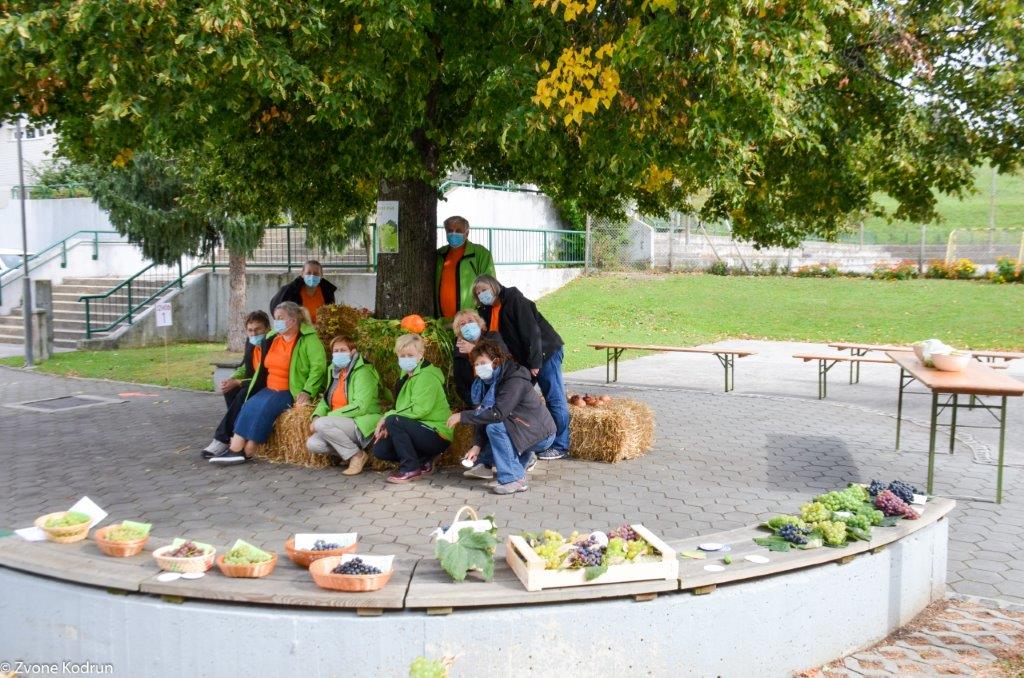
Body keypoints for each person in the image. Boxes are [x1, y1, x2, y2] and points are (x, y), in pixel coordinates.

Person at [210, 301, 328, 465]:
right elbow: (256, 361)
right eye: (275, 318)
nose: (276, 322)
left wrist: (308, 391)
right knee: (249, 405)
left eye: (280, 318)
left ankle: (246, 451)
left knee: (264, 409)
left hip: (289, 389)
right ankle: (235, 449)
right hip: (270, 387)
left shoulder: (309, 339)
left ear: (293, 320)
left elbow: (318, 368)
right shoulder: (273, 337)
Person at [473, 274, 570, 460]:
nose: (482, 294)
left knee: (554, 397)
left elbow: (532, 331)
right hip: (526, 359)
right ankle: (532, 441)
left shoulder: (514, 300)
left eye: (484, 289)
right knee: (520, 399)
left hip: (544, 352)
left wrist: (535, 362)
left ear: (494, 286)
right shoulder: (488, 310)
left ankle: (560, 445)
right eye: (478, 292)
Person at [448, 340, 555, 495]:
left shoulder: (514, 379)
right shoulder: (485, 383)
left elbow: (497, 413)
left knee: (495, 428)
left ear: (496, 361)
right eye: (476, 364)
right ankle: (520, 461)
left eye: (482, 363)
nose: (479, 368)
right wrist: (477, 445)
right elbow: (483, 414)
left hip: (540, 434)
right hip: (520, 428)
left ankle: (514, 479)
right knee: (493, 430)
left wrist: (462, 416)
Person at [371, 334, 452, 483]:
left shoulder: (427, 376)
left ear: (421, 354)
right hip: (419, 428)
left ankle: (410, 469)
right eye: (402, 355)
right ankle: (423, 460)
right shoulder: (405, 376)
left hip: (437, 433)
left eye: (410, 355)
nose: (406, 359)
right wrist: (391, 422)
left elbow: (420, 410)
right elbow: (404, 411)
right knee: (380, 450)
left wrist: (388, 418)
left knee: (393, 420)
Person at [306, 335, 384, 475]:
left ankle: (357, 456)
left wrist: (327, 417)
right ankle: (353, 453)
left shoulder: (364, 371)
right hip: (339, 423)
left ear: (353, 352)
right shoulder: (334, 370)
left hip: (360, 421)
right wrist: (317, 416)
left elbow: (360, 406)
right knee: (313, 444)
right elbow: (326, 399)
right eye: (335, 351)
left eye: (343, 350)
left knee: (322, 424)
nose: (338, 354)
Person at [202, 310, 271, 459]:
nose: (254, 333)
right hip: (251, 383)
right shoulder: (250, 343)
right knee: (230, 390)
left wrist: (238, 382)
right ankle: (237, 431)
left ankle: (222, 438)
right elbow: (245, 366)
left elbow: (264, 377)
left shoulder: (271, 344)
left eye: (258, 329)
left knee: (242, 393)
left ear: (267, 328)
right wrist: (232, 378)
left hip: (267, 385)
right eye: (250, 330)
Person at [435, 216, 495, 320]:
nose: (453, 234)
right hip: (442, 321)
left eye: (458, 231)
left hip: (470, 321)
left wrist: (481, 317)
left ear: (467, 233)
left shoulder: (481, 254)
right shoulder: (440, 254)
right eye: (450, 231)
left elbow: (489, 289)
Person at [450, 309, 507, 407]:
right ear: (459, 331)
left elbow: (504, 360)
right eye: (462, 324)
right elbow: (461, 385)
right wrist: (475, 405)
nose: (467, 325)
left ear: (478, 322)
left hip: (502, 394)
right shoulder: (459, 352)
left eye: (470, 321)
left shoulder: (493, 337)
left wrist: (474, 350)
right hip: (478, 404)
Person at [269, 260, 337, 324]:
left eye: (316, 273)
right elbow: (275, 307)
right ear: (302, 274)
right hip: (297, 329)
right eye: (308, 273)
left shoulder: (327, 291)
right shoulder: (290, 290)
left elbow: (331, 313)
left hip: (321, 330)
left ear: (321, 275)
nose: (312, 276)